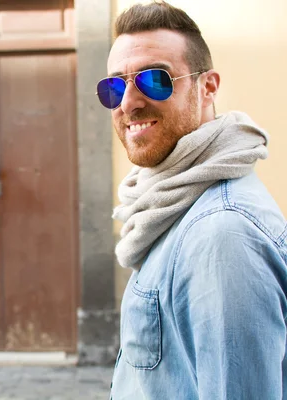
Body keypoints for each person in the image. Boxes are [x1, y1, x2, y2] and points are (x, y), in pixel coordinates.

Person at [96, 1, 287, 399]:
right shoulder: (169, 205)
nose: (128, 102)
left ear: (208, 87)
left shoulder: (223, 234)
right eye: (114, 87)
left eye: (155, 79)